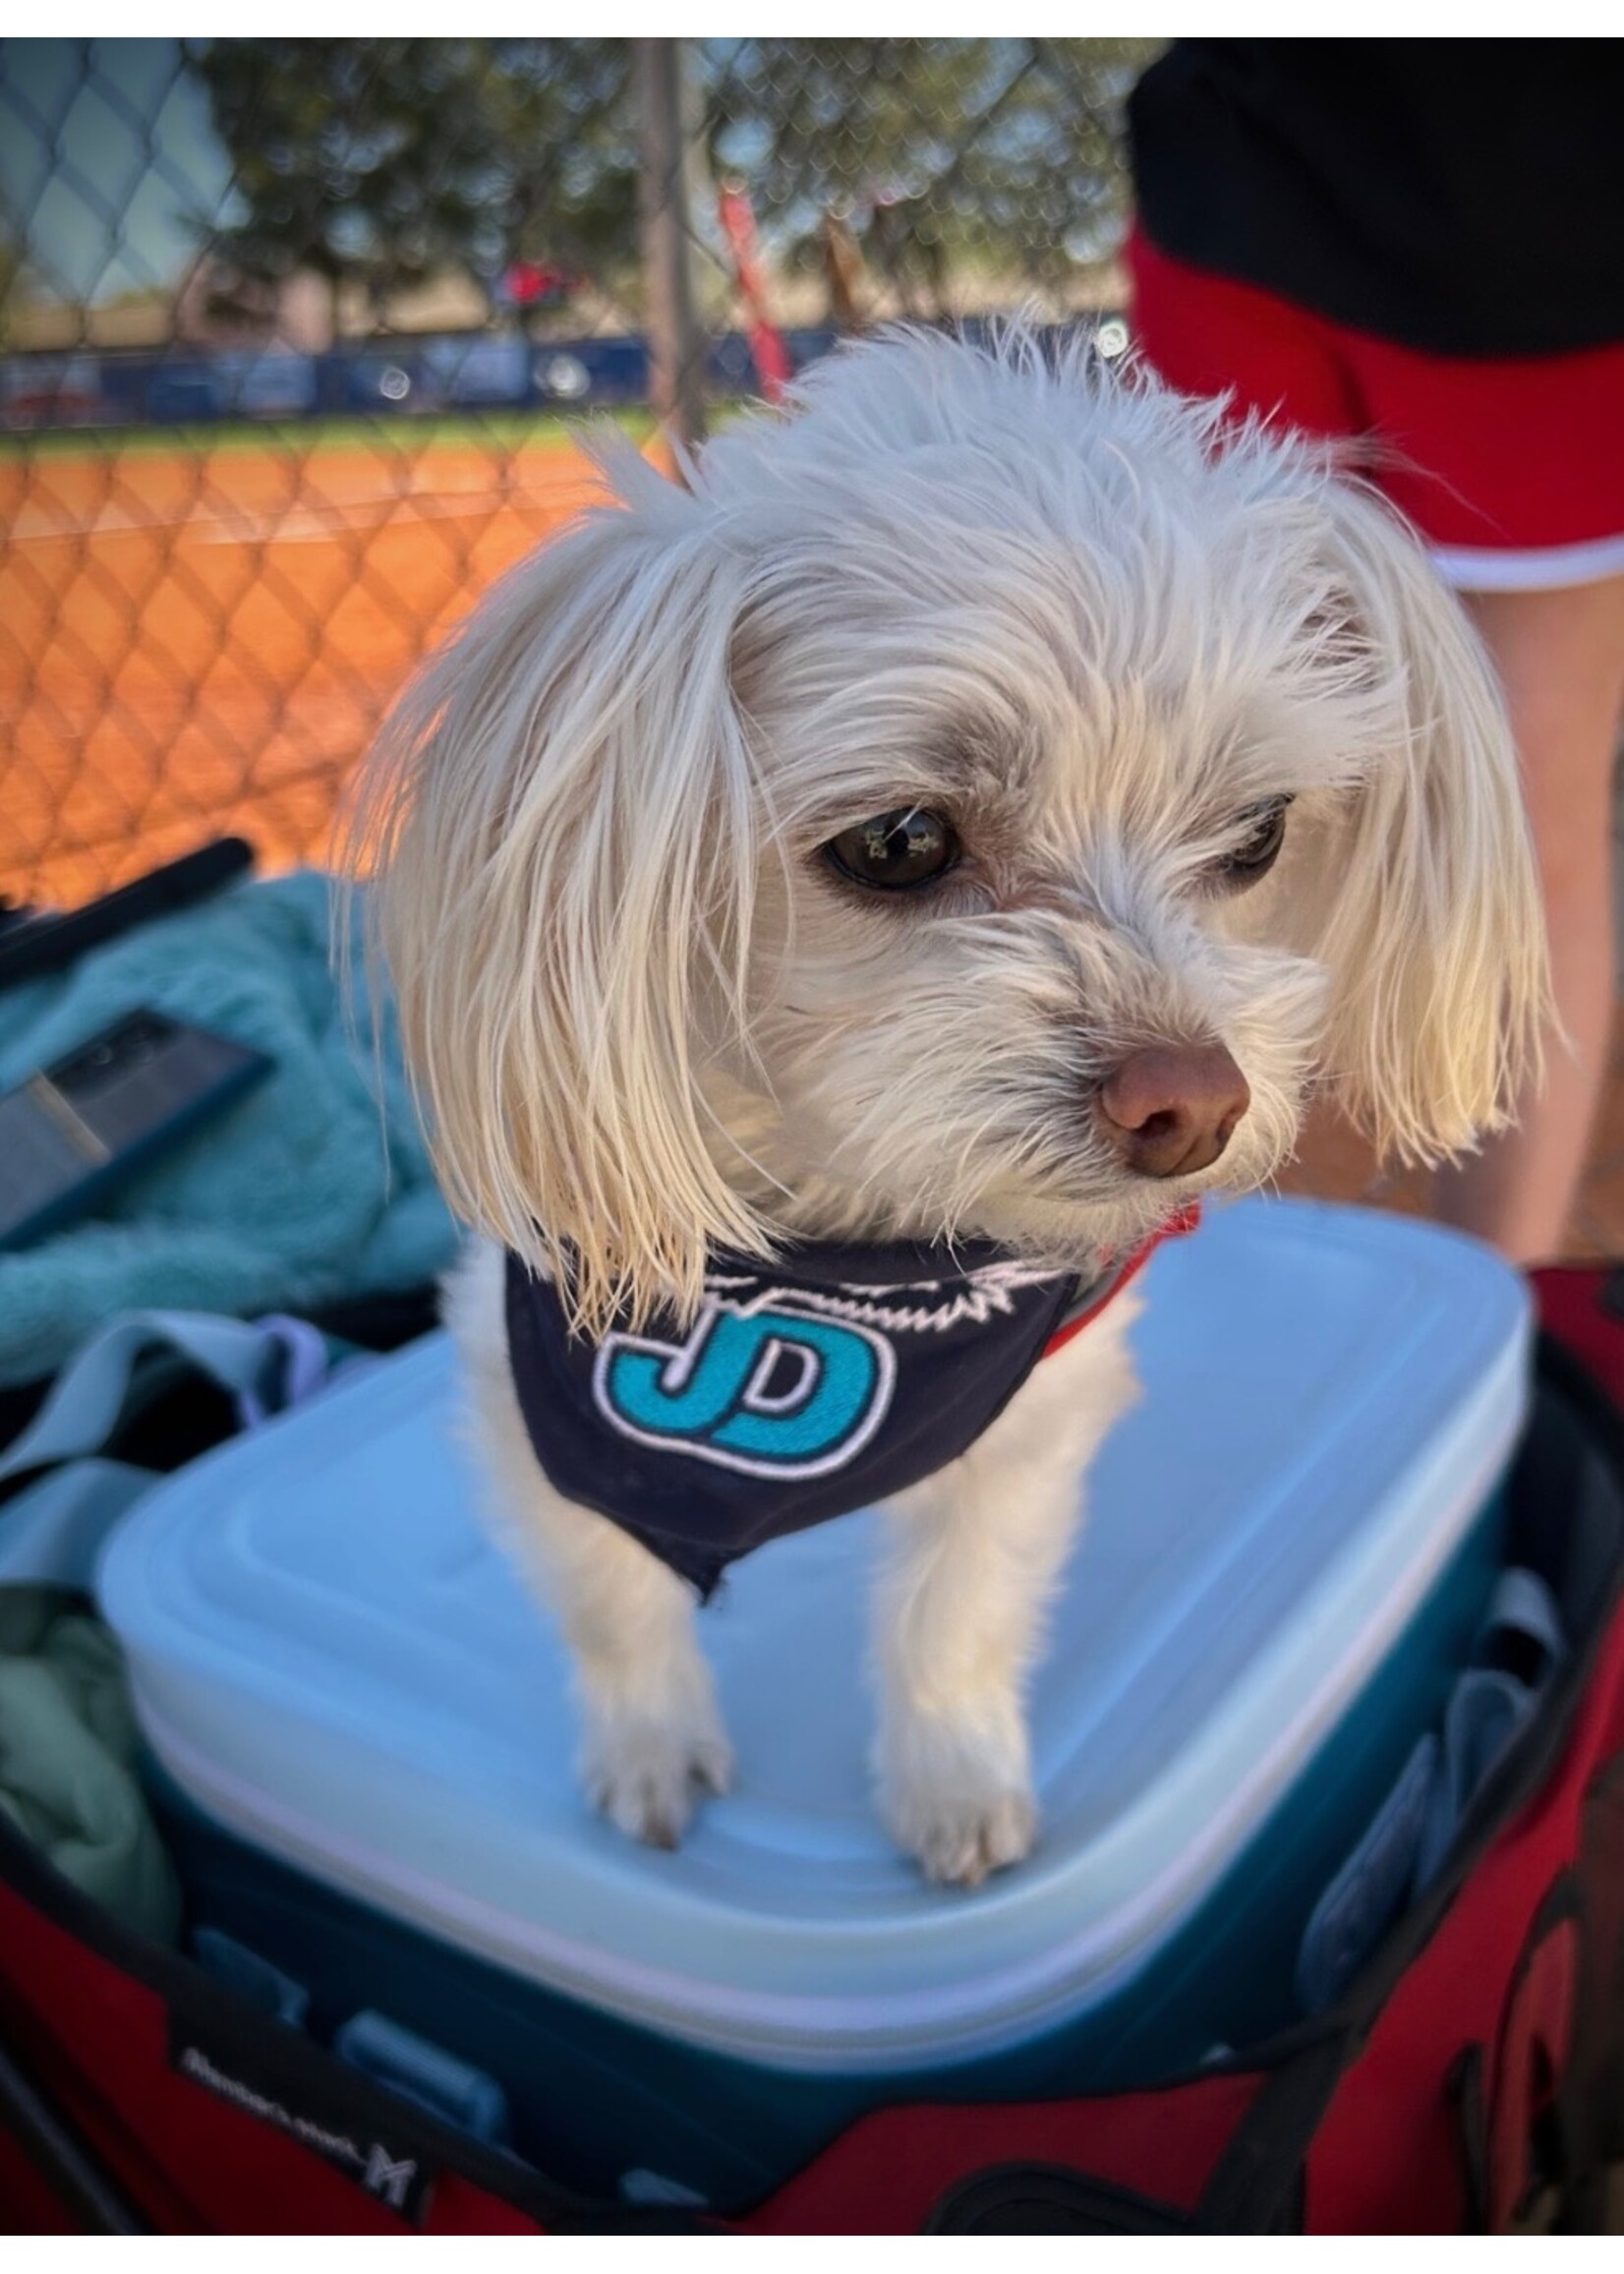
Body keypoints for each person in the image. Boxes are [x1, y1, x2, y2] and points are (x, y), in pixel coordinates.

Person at [1127, 38, 1624, 1266]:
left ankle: (1483, 1310)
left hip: (1556, 234)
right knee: (1188, 780)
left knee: (1525, 823)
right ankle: (1199, 1283)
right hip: (1248, 175)